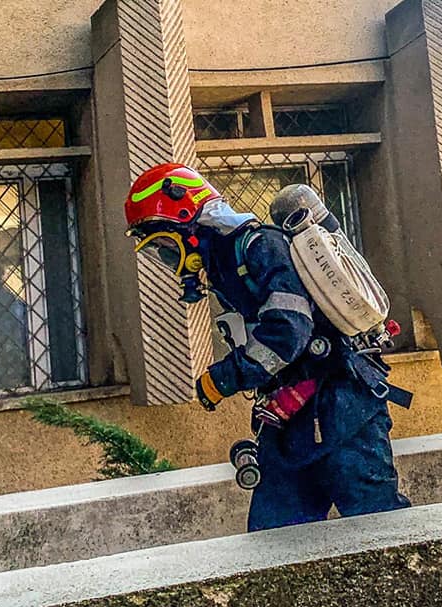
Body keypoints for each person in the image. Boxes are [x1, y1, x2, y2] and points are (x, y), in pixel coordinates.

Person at [124, 165, 410, 531]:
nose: (166, 258)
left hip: (343, 409)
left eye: (165, 245)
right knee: (275, 539)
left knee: (380, 529)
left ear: (189, 223)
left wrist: (225, 377)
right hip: (291, 419)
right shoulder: (225, 264)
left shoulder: (260, 247)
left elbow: (288, 331)